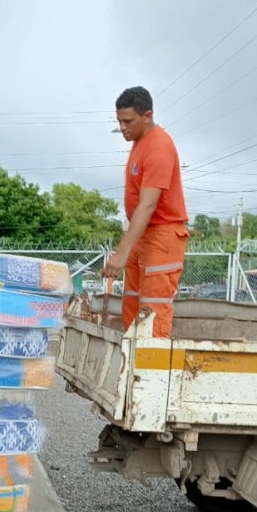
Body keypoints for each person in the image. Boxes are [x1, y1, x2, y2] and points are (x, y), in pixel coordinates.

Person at [102, 86, 190, 336]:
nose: (123, 127)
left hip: (162, 236)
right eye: (119, 121)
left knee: (152, 314)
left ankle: (151, 361)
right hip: (142, 233)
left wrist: (120, 253)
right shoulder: (139, 142)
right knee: (132, 306)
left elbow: (148, 204)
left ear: (147, 116)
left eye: (128, 121)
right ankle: (131, 358)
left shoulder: (158, 146)